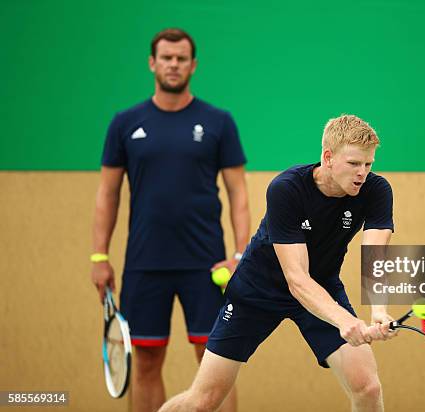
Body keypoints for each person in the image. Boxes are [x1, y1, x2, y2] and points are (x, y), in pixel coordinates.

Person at [158, 114, 397, 412]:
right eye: (354, 164)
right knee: (202, 402)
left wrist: (379, 310)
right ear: (328, 157)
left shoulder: (376, 190)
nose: (362, 173)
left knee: (368, 387)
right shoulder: (287, 189)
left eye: (368, 164)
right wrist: (345, 320)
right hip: (258, 289)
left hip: (322, 286)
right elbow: (296, 280)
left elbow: (375, 256)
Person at [90, 28, 249, 412]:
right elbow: (107, 193)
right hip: (145, 264)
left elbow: (238, 194)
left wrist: (240, 256)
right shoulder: (124, 123)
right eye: (166, 58)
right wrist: (99, 257)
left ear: (193, 65)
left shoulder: (219, 122)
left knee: (215, 366)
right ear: (152, 63)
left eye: (181, 58)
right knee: (145, 364)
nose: (173, 65)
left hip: (207, 266)